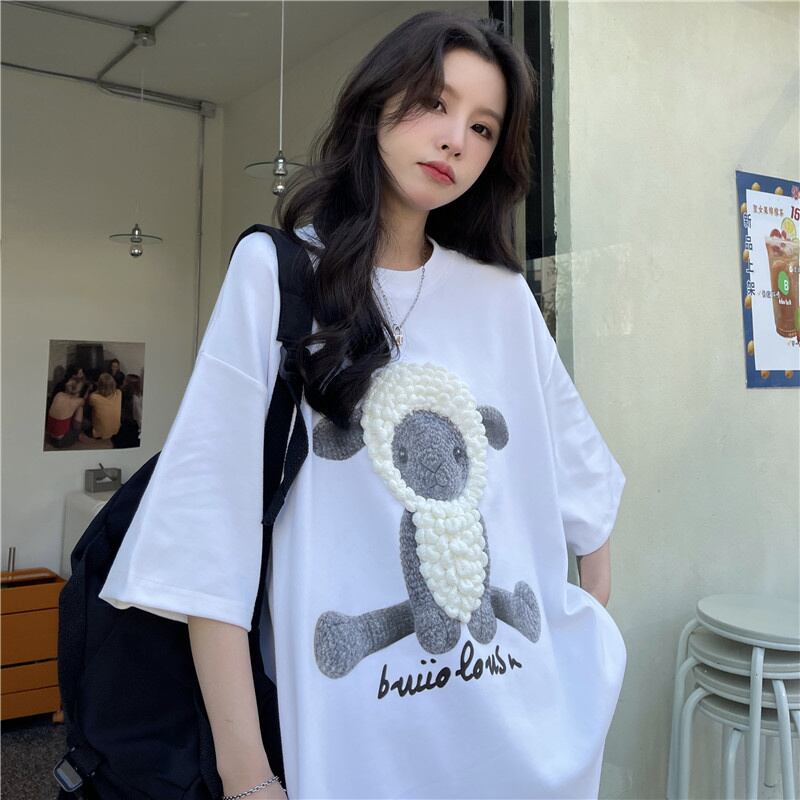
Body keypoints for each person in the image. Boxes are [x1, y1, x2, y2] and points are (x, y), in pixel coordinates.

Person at [99, 11, 626, 800]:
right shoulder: (277, 275)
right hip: (356, 755)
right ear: (377, 102)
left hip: (522, 748)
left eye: (483, 127)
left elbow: (586, 495)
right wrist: (248, 778)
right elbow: (207, 540)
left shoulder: (502, 298)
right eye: (435, 103)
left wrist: (570, 661)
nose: (456, 139)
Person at [45, 378, 87, 448]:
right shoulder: (79, 401)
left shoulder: (59, 394)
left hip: (50, 436)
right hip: (61, 441)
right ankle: (77, 435)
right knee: (80, 408)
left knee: (69, 411)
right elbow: (77, 425)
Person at [86, 372, 122, 440]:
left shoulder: (94, 397)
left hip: (99, 434)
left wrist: (89, 389)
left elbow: (87, 403)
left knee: (86, 412)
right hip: (116, 430)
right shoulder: (119, 393)